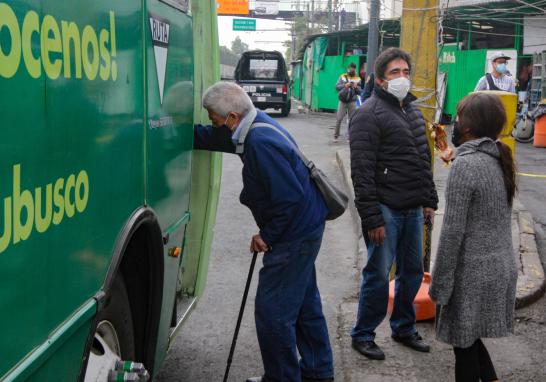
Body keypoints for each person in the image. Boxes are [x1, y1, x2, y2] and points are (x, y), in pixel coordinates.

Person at [193, 82, 334, 382]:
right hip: (307, 227)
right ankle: (318, 372)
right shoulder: (253, 123)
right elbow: (217, 139)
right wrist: (177, 133)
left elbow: (289, 200)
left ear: (231, 117)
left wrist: (266, 236)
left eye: (213, 117)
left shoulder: (259, 142)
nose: (211, 123)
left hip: (294, 234)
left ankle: (282, 377)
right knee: (305, 304)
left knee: (274, 313)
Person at [348, 47, 438, 360]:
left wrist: (429, 200)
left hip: (412, 208)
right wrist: (372, 218)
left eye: (405, 72)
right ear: (381, 80)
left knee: (412, 273)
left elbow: (422, 160)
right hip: (384, 210)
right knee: (377, 275)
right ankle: (363, 334)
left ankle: (403, 327)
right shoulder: (367, 114)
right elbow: (361, 171)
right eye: (394, 73)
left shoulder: (412, 111)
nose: (402, 78)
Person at [429, 92, 518, 382]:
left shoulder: (466, 166)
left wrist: (439, 286)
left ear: (469, 127)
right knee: (468, 339)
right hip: (499, 268)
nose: (454, 124)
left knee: (463, 345)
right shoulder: (497, 157)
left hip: (472, 274)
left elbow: (452, 234)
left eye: (458, 118)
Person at [334, 62, 361, 142]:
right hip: (342, 101)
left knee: (352, 119)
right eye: (350, 68)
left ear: (355, 69)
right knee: (339, 118)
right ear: (348, 68)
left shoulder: (358, 78)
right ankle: (336, 136)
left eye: (353, 68)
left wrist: (356, 87)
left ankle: (350, 136)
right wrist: (345, 85)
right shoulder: (343, 76)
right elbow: (337, 87)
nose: (351, 70)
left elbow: (360, 91)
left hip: (352, 101)